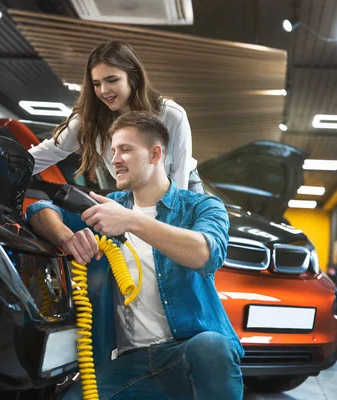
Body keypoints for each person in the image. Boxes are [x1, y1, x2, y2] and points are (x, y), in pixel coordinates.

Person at [27, 112, 243, 400]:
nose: (115, 158)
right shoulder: (107, 207)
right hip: (131, 363)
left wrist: (131, 222)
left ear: (155, 154)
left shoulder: (201, 207)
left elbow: (205, 252)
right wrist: (68, 238)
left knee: (213, 348)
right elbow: (39, 210)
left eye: (126, 149)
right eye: (113, 150)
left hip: (187, 354)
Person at [29, 40, 204, 193]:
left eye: (112, 80)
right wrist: (5, 166)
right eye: (96, 84)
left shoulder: (171, 115)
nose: (104, 91)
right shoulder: (90, 119)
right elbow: (50, 151)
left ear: (133, 77)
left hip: (184, 188)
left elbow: (179, 178)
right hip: (138, 192)